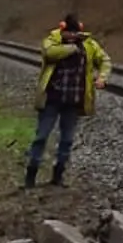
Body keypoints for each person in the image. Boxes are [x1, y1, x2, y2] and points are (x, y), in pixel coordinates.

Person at [25, 12, 112, 187]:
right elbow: (49, 53)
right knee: (41, 137)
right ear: (63, 30)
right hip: (51, 99)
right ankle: (30, 177)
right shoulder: (53, 40)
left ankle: (58, 176)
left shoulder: (89, 45)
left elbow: (105, 60)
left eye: (74, 33)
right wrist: (71, 49)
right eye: (68, 33)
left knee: (67, 140)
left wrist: (102, 77)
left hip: (73, 101)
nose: (71, 37)